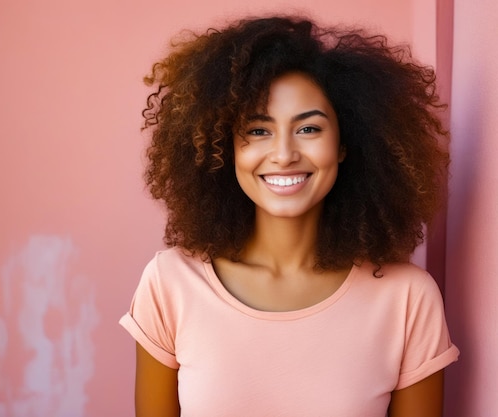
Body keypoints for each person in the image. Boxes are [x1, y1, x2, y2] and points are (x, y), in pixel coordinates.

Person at [119, 15, 459, 417]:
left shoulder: (406, 299)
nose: (283, 154)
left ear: (345, 145)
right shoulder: (170, 284)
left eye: (309, 129)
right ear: (226, 149)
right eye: (259, 131)